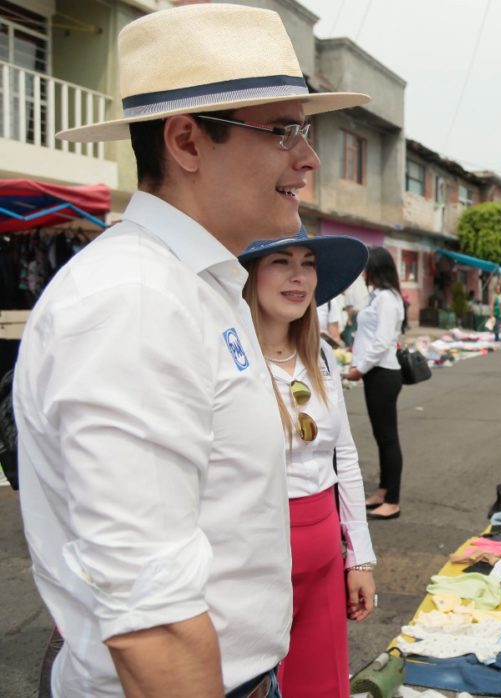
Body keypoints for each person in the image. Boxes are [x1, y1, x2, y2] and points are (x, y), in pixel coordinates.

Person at [12, 5, 371, 696]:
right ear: (186, 142)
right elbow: (155, 624)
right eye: (283, 130)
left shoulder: (197, 286)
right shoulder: (136, 301)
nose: (309, 157)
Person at [239, 230, 376, 698]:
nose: (298, 276)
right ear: (250, 275)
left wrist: (360, 556)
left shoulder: (320, 355)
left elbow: (347, 457)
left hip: (322, 549)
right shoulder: (229, 360)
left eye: (308, 263)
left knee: (320, 685)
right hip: (252, 554)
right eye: (280, 261)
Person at [346, 248, 406, 520]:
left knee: (388, 438)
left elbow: (382, 342)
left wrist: (360, 368)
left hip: (382, 373)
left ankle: (393, 501)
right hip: (375, 372)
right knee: (382, 438)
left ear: (376, 268)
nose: (362, 271)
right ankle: (383, 490)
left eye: (365, 266)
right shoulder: (378, 296)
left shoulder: (386, 299)